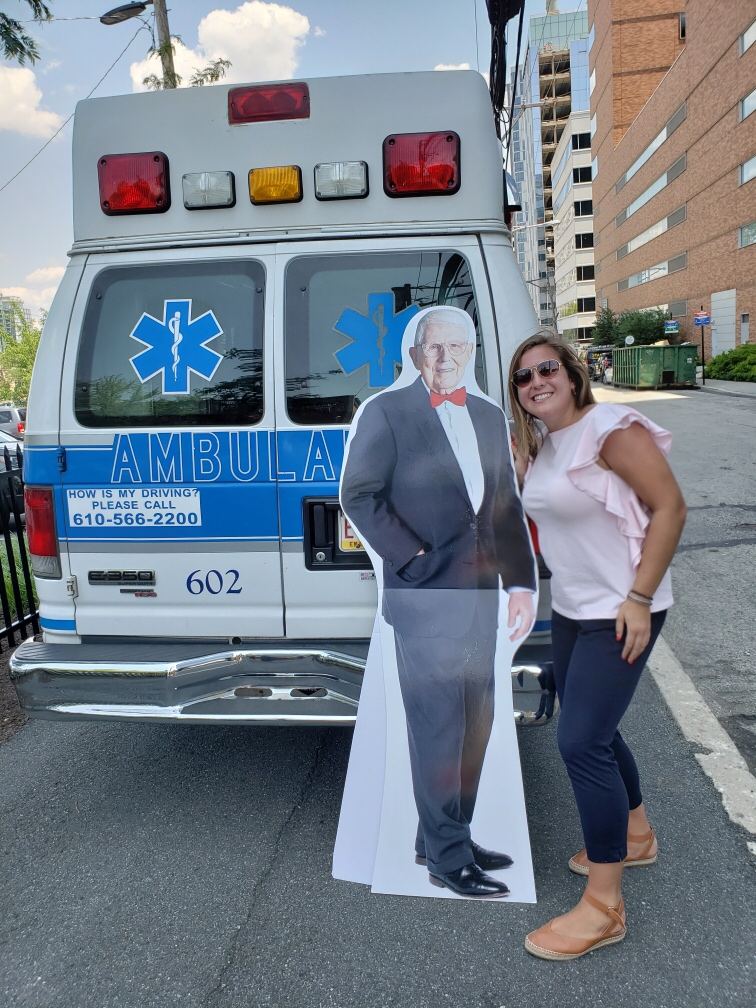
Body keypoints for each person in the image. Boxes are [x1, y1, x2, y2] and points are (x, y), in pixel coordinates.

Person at [340, 307, 537, 899]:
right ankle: (446, 861)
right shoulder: (387, 412)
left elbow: (503, 505)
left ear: (472, 352)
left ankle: (446, 835)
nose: (447, 358)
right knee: (438, 727)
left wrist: (522, 582)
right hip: (425, 599)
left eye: (458, 347)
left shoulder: (486, 414)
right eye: (435, 348)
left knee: (477, 724)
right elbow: (359, 493)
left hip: (479, 599)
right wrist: (415, 559)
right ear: (417, 353)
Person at [508, 331, 687, 959]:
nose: (536, 382)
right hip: (575, 612)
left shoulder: (609, 428)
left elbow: (670, 507)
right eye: (523, 378)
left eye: (547, 368)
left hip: (622, 611)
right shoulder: (547, 446)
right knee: (599, 729)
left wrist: (638, 599)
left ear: (573, 372)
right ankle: (635, 835)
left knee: (580, 740)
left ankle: (605, 906)